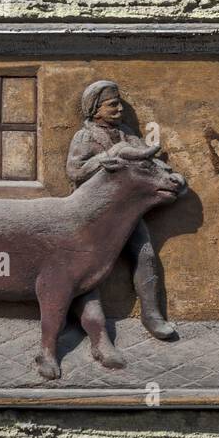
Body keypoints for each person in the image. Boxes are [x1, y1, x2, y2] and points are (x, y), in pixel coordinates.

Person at [66, 79, 177, 341]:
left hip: (125, 211)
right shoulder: (85, 136)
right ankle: (85, 319)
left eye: (120, 103)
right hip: (91, 213)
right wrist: (105, 160)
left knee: (145, 254)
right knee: (87, 266)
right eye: (112, 104)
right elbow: (74, 171)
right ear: (95, 109)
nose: (119, 109)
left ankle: (152, 315)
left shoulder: (126, 133)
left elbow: (145, 155)